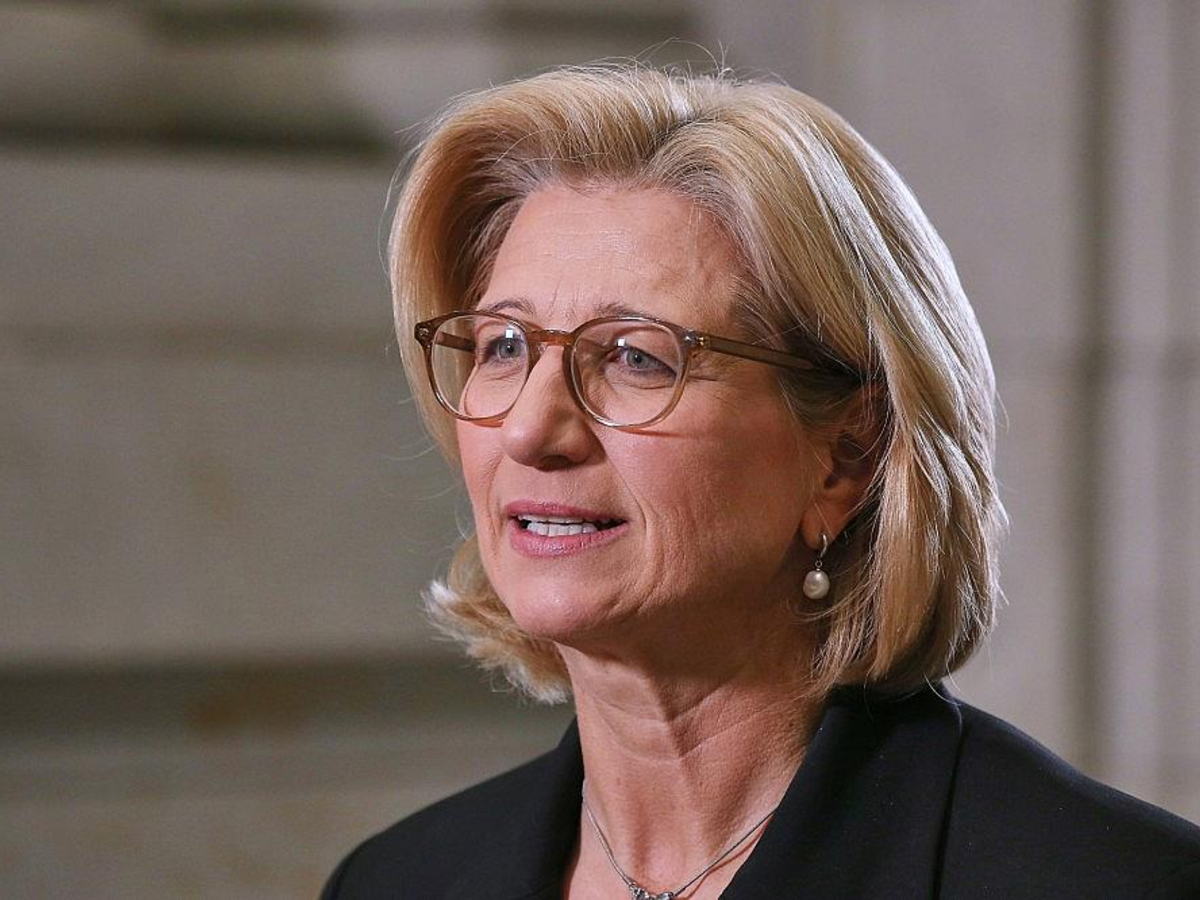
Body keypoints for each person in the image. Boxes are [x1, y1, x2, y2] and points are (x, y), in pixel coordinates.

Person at [322, 65, 1200, 899]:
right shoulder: (395, 883)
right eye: (504, 346)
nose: (528, 430)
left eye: (635, 357)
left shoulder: (1111, 882)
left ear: (847, 456)